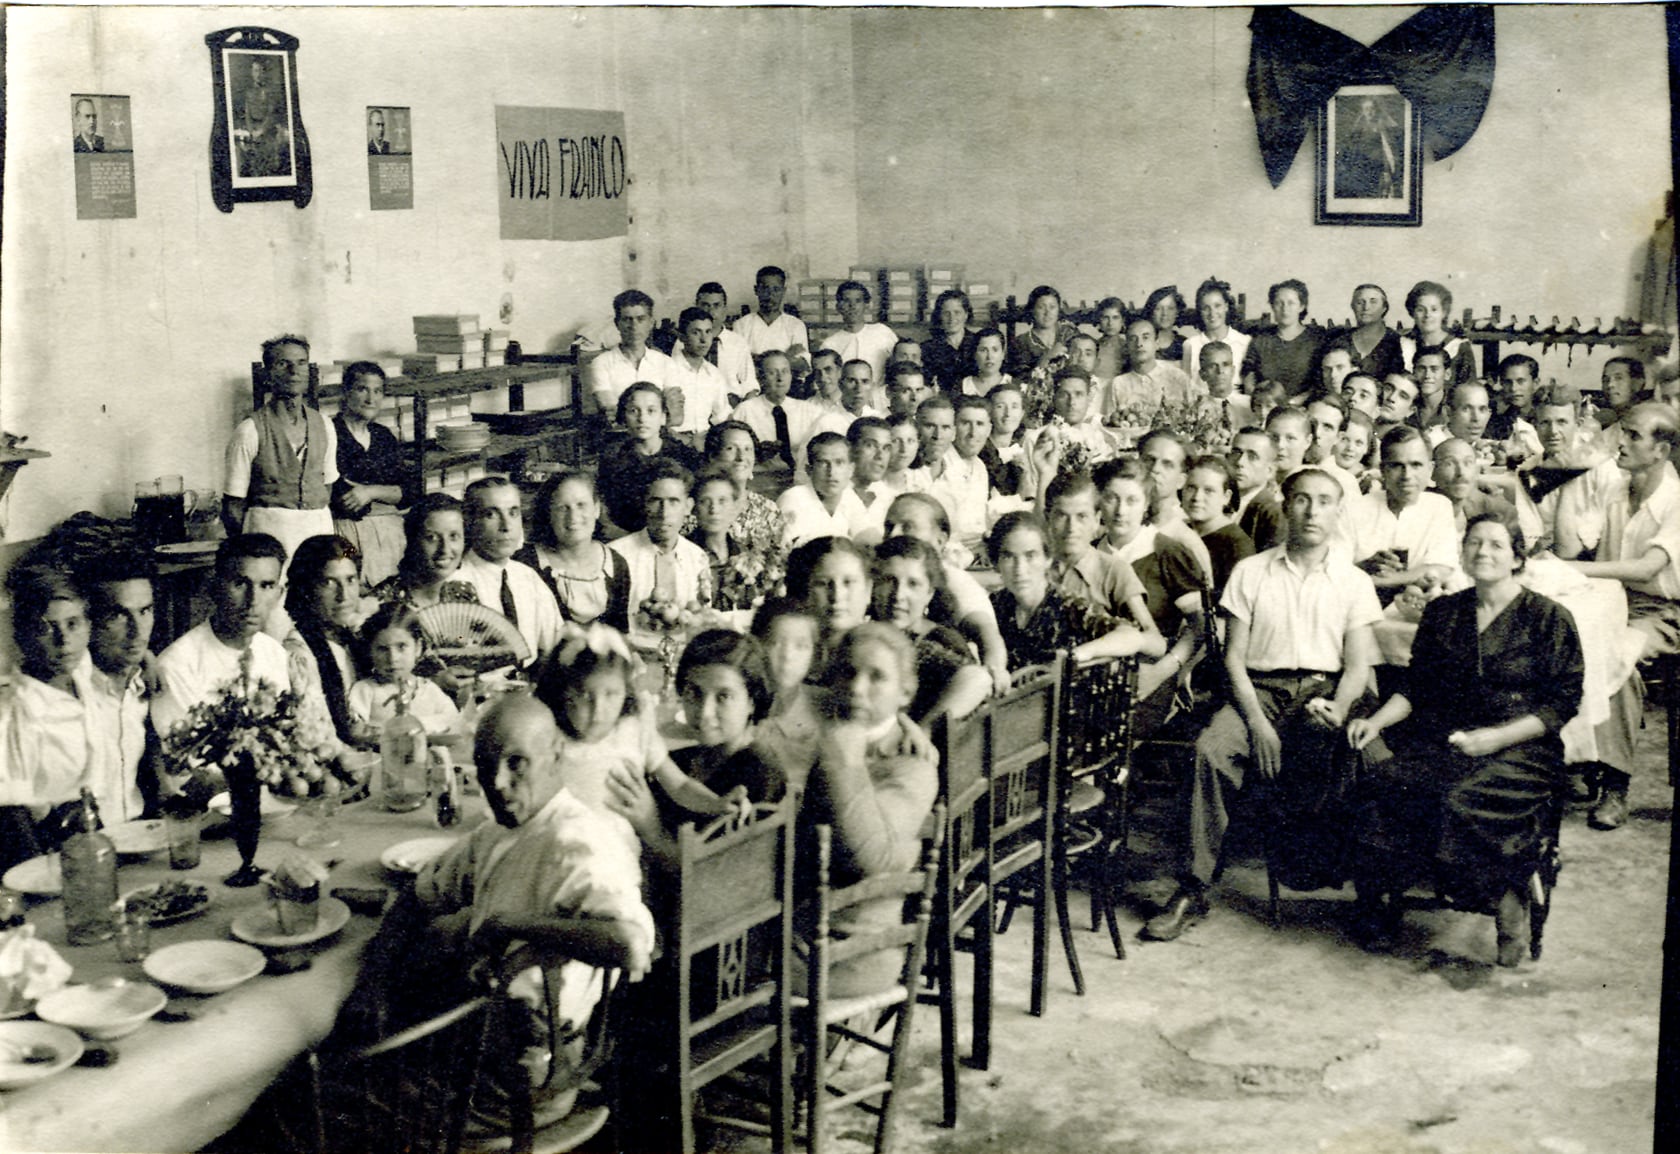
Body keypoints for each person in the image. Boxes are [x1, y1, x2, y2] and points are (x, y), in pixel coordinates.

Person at [1142, 469, 1381, 942]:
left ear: (1338, 512)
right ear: (1286, 506)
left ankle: (1373, 896)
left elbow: (1356, 668)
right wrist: (1256, 723)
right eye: (1302, 500)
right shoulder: (1252, 572)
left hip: (1325, 691)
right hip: (1260, 692)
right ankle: (1193, 888)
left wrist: (1339, 706)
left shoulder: (1353, 582)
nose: (1312, 512)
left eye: (1324, 502)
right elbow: (1233, 659)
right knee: (1210, 751)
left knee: (1370, 759)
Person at [1348, 512, 1582, 964]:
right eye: (1474, 543)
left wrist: (1494, 740)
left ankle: (1506, 897)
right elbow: (1416, 688)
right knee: (1380, 785)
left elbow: (1560, 705)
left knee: (1458, 798)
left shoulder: (1548, 618)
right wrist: (1376, 722)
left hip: (1522, 750)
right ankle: (1377, 905)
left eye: (1496, 544)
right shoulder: (1443, 613)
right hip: (1446, 741)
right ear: (1462, 553)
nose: (1483, 552)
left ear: (1517, 557)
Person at [410, 691, 655, 1096]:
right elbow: (420, 894)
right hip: (487, 1041)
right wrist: (371, 987)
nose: (497, 783)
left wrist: (511, 925)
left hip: (530, 1075)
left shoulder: (575, 841)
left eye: (516, 762)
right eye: (486, 766)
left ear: (556, 755)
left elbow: (630, 945)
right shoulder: (499, 830)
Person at [797, 622, 939, 997]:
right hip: (793, 930)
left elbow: (871, 858)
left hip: (846, 952)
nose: (857, 688)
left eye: (877, 677)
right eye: (848, 671)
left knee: (692, 964)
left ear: (905, 692)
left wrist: (846, 760)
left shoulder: (913, 766)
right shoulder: (826, 723)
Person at [1563, 402, 1680, 829]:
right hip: (1606, 599)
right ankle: (1576, 762)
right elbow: (1571, 545)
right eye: (1623, 433)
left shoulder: (1675, 500)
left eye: (1633, 436)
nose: (1622, 442)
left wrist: (1579, 569)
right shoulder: (1617, 487)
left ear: (1661, 450)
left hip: (1661, 612)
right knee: (1560, 640)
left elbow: (1649, 569)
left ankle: (1616, 786)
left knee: (1619, 659)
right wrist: (1571, 478)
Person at [0, 566, 124, 865]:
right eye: (45, 628)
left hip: (107, 840)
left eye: (73, 624)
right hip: (57, 855)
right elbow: (14, 812)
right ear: (21, 634)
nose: (63, 640)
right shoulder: (17, 710)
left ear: (88, 626)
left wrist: (146, 659)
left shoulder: (80, 672)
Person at [1093, 458, 1206, 728]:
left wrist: (1164, 670)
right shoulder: (1091, 551)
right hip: (1095, 677)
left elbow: (1199, 626)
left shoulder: (1165, 552)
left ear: (1146, 504)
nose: (1121, 511)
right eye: (1112, 499)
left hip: (1150, 676)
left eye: (1132, 500)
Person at [151, 534, 298, 738]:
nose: (252, 600)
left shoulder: (275, 654)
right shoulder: (177, 666)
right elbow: (184, 760)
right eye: (240, 584)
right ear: (214, 588)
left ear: (278, 595)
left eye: (266, 586)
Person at [880, 492, 1012, 692]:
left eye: (907, 527)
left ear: (940, 541)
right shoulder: (877, 570)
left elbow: (986, 634)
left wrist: (994, 670)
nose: (893, 535)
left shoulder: (955, 580)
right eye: (889, 527)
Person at [223, 334, 337, 564]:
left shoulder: (324, 425)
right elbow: (233, 507)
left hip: (317, 533)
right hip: (269, 536)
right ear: (268, 374)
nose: (293, 370)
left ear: (309, 371)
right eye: (282, 363)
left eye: (301, 362)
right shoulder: (249, 431)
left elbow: (327, 487)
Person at [985, 511, 1142, 669]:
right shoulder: (994, 605)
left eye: (1030, 556)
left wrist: (1078, 654)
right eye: (1008, 557)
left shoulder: (1067, 605)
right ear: (996, 563)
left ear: (1048, 559)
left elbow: (1131, 636)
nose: (1020, 569)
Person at [870, 535, 991, 726]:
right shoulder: (867, 635)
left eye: (913, 584)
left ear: (929, 594)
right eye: (888, 580)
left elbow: (978, 681)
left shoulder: (938, 642)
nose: (898, 595)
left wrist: (924, 731)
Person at [457, 476, 564, 663]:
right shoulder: (458, 582)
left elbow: (554, 648)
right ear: (469, 520)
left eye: (513, 513)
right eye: (491, 514)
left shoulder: (528, 577)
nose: (506, 526)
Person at [1348, 426, 1461, 602]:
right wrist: (1363, 566)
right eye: (1396, 466)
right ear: (1383, 471)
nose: (1407, 476)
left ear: (1430, 469)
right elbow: (1333, 568)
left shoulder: (1439, 507)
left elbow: (1443, 566)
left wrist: (1382, 580)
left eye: (1416, 465)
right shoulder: (1355, 509)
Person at [515, 469, 631, 633]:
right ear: (548, 514)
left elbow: (621, 632)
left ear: (596, 509)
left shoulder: (615, 563)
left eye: (581, 505)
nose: (573, 516)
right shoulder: (526, 563)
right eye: (563, 508)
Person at [331, 362, 412, 590]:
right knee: (352, 590)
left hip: (389, 536)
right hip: (344, 535)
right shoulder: (329, 433)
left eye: (378, 391)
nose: (371, 399)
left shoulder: (383, 437)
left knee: (391, 595)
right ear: (345, 392)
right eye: (362, 389)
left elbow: (409, 492)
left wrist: (369, 492)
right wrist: (388, 495)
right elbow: (344, 501)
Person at [609, 462, 711, 641]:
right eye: (656, 501)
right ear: (644, 504)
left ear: (688, 507)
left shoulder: (697, 558)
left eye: (673, 501)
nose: (664, 513)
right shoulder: (616, 555)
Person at [284, 535, 364, 747]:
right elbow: (315, 735)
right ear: (306, 590)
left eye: (350, 580)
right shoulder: (299, 652)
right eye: (329, 583)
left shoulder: (354, 639)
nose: (343, 596)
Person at [595, 381, 702, 536]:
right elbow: (604, 505)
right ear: (624, 416)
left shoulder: (683, 455)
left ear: (663, 417)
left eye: (651, 411)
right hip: (626, 536)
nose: (642, 418)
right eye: (633, 411)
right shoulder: (614, 458)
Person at [348, 603, 462, 743]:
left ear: (418, 648)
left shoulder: (428, 689)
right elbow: (356, 731)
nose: (392, 658)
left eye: (401, 647)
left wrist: (414, 727)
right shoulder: (365, 690)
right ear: (370, 651)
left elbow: (454, 721)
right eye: (382, 649)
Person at [679, 420, 787, 551]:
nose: (741, 457)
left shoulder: (767, 509)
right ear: (713, 456)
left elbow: (778, 560)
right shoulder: (691, 508)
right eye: (731, 449)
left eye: (748, 449)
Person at [372, 493, 480, 611]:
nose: (445, 549)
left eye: (453, 536)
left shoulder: (463, 595)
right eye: (431, 537)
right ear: (413, 541)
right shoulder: (382, 601)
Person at [1136, 429, 1216, 583]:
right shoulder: (1118, 524)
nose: (1155, 469)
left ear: (1181, 480)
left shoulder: (1185, 542)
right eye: (1149, 460)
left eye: (1167, 464)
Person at [731, 350, 823, 480]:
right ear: (761, 378)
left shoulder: (810, 411)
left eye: (785, 371)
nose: (780, 378)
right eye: (772, 373)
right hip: (760, 479)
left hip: (801, 480)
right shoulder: (745, 411)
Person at [584, 290, 672, 416]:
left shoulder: (665, 362)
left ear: (651, 323)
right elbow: (610, 410)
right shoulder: (601, 363)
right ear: (617, 324)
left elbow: (673, 410)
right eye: (627, 319)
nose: (634, 326)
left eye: (640, 319)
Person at [778, 431, 869, 548]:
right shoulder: (793, 499)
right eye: (823, 463)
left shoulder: (849, 495)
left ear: (851, 469)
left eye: (839, 463)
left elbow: (868, 541)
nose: (831, 472)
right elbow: (794, 555)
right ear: (809, 470)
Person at [1181, 454, 1255, 596]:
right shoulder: (1181, 531)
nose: (1197, 497)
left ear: (1226, 497)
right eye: (1191, 488)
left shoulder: (1236, 545)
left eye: (1209, 491)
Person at [663, 307, 734, 448]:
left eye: (708, 332)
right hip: (672, 442)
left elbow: (722, 417)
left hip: (704, 443)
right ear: (682, 336)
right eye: (696, 332)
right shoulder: (666, 368)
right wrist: (680, 439)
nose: (703, 340)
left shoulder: (714, 374)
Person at [1243, 278, 1324, 398]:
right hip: (1266, 408)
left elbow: (1319, 383)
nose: (1285, 309)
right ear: (1272, 306)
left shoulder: (1315, 340)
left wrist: (1294, 403)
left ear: (1301, 306)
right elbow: (1249, 379)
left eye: (1291, 303)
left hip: (1304, 407)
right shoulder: (1260, 340)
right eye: (1278, 303)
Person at [1105, 318, 1196, 423]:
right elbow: (1111, 424)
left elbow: (1192, 417)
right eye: (1133, 339)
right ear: (1127, 347)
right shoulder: (1118, 384)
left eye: (1145, 338)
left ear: (1156, 343)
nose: (1139, 344)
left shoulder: (1178, 377)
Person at [733, 265, 812, 376]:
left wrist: (755, 358)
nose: (770, 295)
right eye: (765, 289)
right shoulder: (741, 325)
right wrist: (787, 357)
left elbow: (802, 365)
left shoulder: (796, 325)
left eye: (776, 289)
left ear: (783, 291)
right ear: (756, 290)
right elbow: (739, 363)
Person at [820, 280, 898, 385]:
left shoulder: (883, 332)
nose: (852, 306)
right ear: (838, 307)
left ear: (866, 306)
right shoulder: (830, 343)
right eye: (846, 301)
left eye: (858, 301)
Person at [1400, 281, 1478, 384]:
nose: (1427, 315)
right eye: (1420, 309)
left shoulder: (1459, 346)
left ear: (1444, 313)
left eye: (1434, 309)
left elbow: (1469, 389)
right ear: (1412, 313)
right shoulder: (1403, 344)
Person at [1433, 437, 1513, 536]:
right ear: (1432, 471)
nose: (1461, 472)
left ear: (1476, 470)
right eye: (1449, 464)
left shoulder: (1490, 508)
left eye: (1468, 463)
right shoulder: (1419, 510)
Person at [1180, 277, 1251, 388]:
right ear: (1200, 311)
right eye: (1206, 308)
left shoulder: (1244, 342)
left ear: (1226, 307)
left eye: (1217, 306)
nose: (1212, 313)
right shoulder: (1190, 345)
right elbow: (1186, 387)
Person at [694, 281, 756, 398]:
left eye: (716, 305)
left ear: (725, 309)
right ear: (697, 307)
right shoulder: (684, 342)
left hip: (731, 406)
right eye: (705, 305)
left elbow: (749, 385)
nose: (711, 312)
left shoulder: (738, 343)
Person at [1230, 427, 1286, 551]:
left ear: (1269, 470)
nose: (1240, 462)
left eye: (1252, 456)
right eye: (1236, 452)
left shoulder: (1273, 514)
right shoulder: (1220, 500)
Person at [1006, 284, 1076, 380]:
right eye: (1041, 307)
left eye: (1052, 307)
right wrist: (1045, 358)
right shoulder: (1020, 342)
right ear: (1032, 310)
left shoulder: (1069, 334)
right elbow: (1018, 380)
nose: (1047, 313)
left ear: (1058, 310)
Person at [1337, 284, 1405, 382]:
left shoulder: (1398, 342)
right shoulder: (1339, 342)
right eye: (1360, 302)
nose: (1366, 307)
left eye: (1373, 302)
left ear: (1384, 307)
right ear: (1352, 307)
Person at [921, 288, 978, 394]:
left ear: (966, 314)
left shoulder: (979, 343)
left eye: (957, 312)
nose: (952, 318)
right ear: (939, 316)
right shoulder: (927, 348)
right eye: (946, 313)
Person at [1142, 285, 1189, 365]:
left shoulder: (1185, 345)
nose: (1164, 314)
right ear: (1151, 312)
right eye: (1158, 308)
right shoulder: (1142, 343)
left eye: (1170, 308)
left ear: (1177, 312)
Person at [961, 327, 1012, 397]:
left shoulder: (1014, 384)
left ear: (1003, 354)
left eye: (995, 350)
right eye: (983, 350)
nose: (989, 356)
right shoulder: (963, 386)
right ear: (975, 354)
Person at [1411, 346, 1452, 431]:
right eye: (1422, 369)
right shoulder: (1408, 406)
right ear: (1414, 372)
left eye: (1434, 369)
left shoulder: (1455, 407)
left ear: (1447, 374)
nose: (1427, 375)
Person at [1092, 297, 1129, 383]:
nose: (1110, 323)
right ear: (1099, 320)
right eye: (1105, 317)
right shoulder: (1093, 347)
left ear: (1122, 321)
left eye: (1115, 317)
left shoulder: (1128, 347)